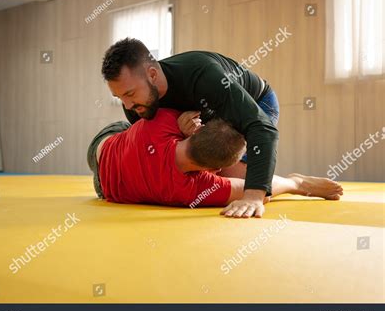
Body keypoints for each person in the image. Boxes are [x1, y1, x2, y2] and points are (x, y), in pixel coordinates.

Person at [101, 38, 280, 217]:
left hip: (258, 101)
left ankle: (295, 183)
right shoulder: (135, 105)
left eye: (129, 93)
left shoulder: (203, 75)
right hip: (210, 115)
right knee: (213, 171)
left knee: (239, 181)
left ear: (153, 75)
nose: (127, 105)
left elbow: (261, 127)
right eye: (119, 97)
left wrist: (254, 195)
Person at [87, 109, 343, 217]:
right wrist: (293, 184)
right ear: (213, 171)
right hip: (107, 163)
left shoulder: (163, 120)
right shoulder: (194, 190)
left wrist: (181, 121)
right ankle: (295, 179)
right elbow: (251, 188)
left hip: (105, 153)